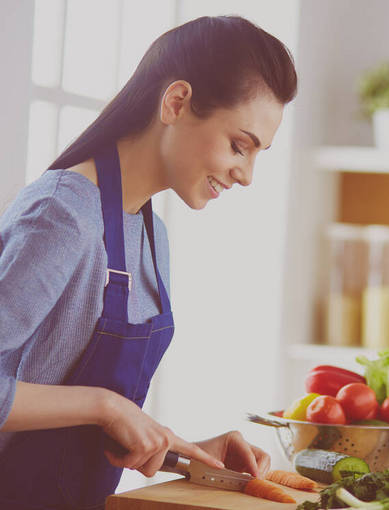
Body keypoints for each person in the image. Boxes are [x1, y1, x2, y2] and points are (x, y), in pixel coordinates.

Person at [0, 15, 297, 509]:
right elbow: (91, 407)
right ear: (176, 102)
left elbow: (79, 432)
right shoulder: (63, 214)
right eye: (239, 145)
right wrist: (105, 406)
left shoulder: (149, 233)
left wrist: (184, 453)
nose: (246, 175)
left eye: (257, 153)